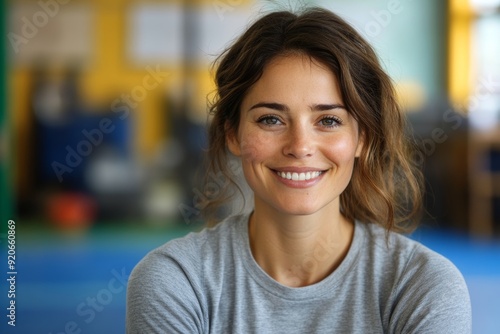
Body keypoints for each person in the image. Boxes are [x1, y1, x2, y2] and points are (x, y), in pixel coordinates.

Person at [126, 7, 471, 333]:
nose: (300, 145)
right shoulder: (175, 281)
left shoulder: (423, 286)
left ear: (363, 138)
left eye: (328, 120)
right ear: (233, 133)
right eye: (271, 119)